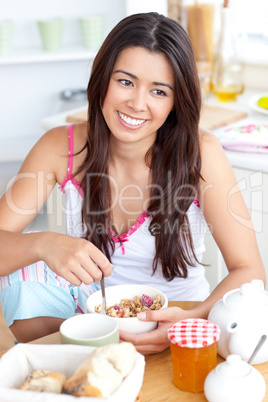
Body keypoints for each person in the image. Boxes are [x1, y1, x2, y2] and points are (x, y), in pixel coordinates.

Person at [0, 12, 265, 354]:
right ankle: (34, 366)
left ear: (175, 102)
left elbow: (250, 271)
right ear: (102, 80)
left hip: (179, 318)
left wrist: (192, 320)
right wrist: (44, 244)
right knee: (24, 270)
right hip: (92, 318)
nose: (137, 103)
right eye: (125, 81)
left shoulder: (201, 153)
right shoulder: (60, 147)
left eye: (158, 91)